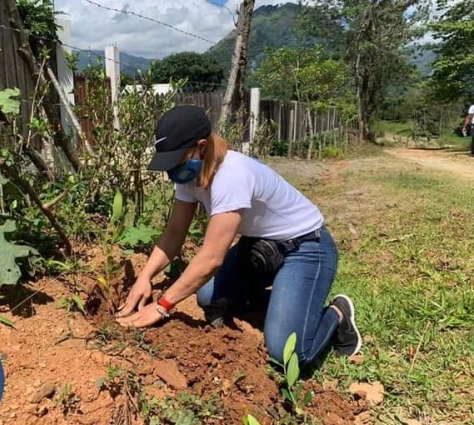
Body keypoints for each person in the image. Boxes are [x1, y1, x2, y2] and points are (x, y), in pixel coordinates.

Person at [116, 105, 362, 368]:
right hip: (263, 246)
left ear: (201, 146)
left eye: (177, 160)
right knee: (208, 297)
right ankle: (289, 304)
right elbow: (175, 233)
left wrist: (162, 305)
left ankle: (336, 314)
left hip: (307, 247)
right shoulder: (189, 176)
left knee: (287, 355)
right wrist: (145, 277)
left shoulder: (231, 175)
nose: (173, 171)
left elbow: (211, 258)